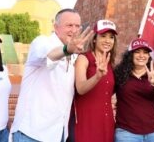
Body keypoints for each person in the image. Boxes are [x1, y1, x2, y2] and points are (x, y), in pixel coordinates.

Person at [10, 9, 92, 142]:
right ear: (56, 27)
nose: (74, 30)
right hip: (31, 134)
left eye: (77, 26)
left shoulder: (75, 56)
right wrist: (66, 50)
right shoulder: (42, 42)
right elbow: (49, 55)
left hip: (57, 134)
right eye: (69, 25)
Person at [114, 38, 154, 142]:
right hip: (126, 133)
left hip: (153, 133)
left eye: (145, 52)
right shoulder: (119, 74)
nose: (142, 56)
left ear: (149, 56)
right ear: (130, 55)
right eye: (137, 52)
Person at [74, 20, 118, 142]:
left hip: (107, 122)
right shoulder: (83, 58)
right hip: (87, 121)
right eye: (103, 36)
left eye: (111, 37)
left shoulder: (110, 64)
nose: (107, 40)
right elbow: (80, 88)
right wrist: (97, 76)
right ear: (94, 39)